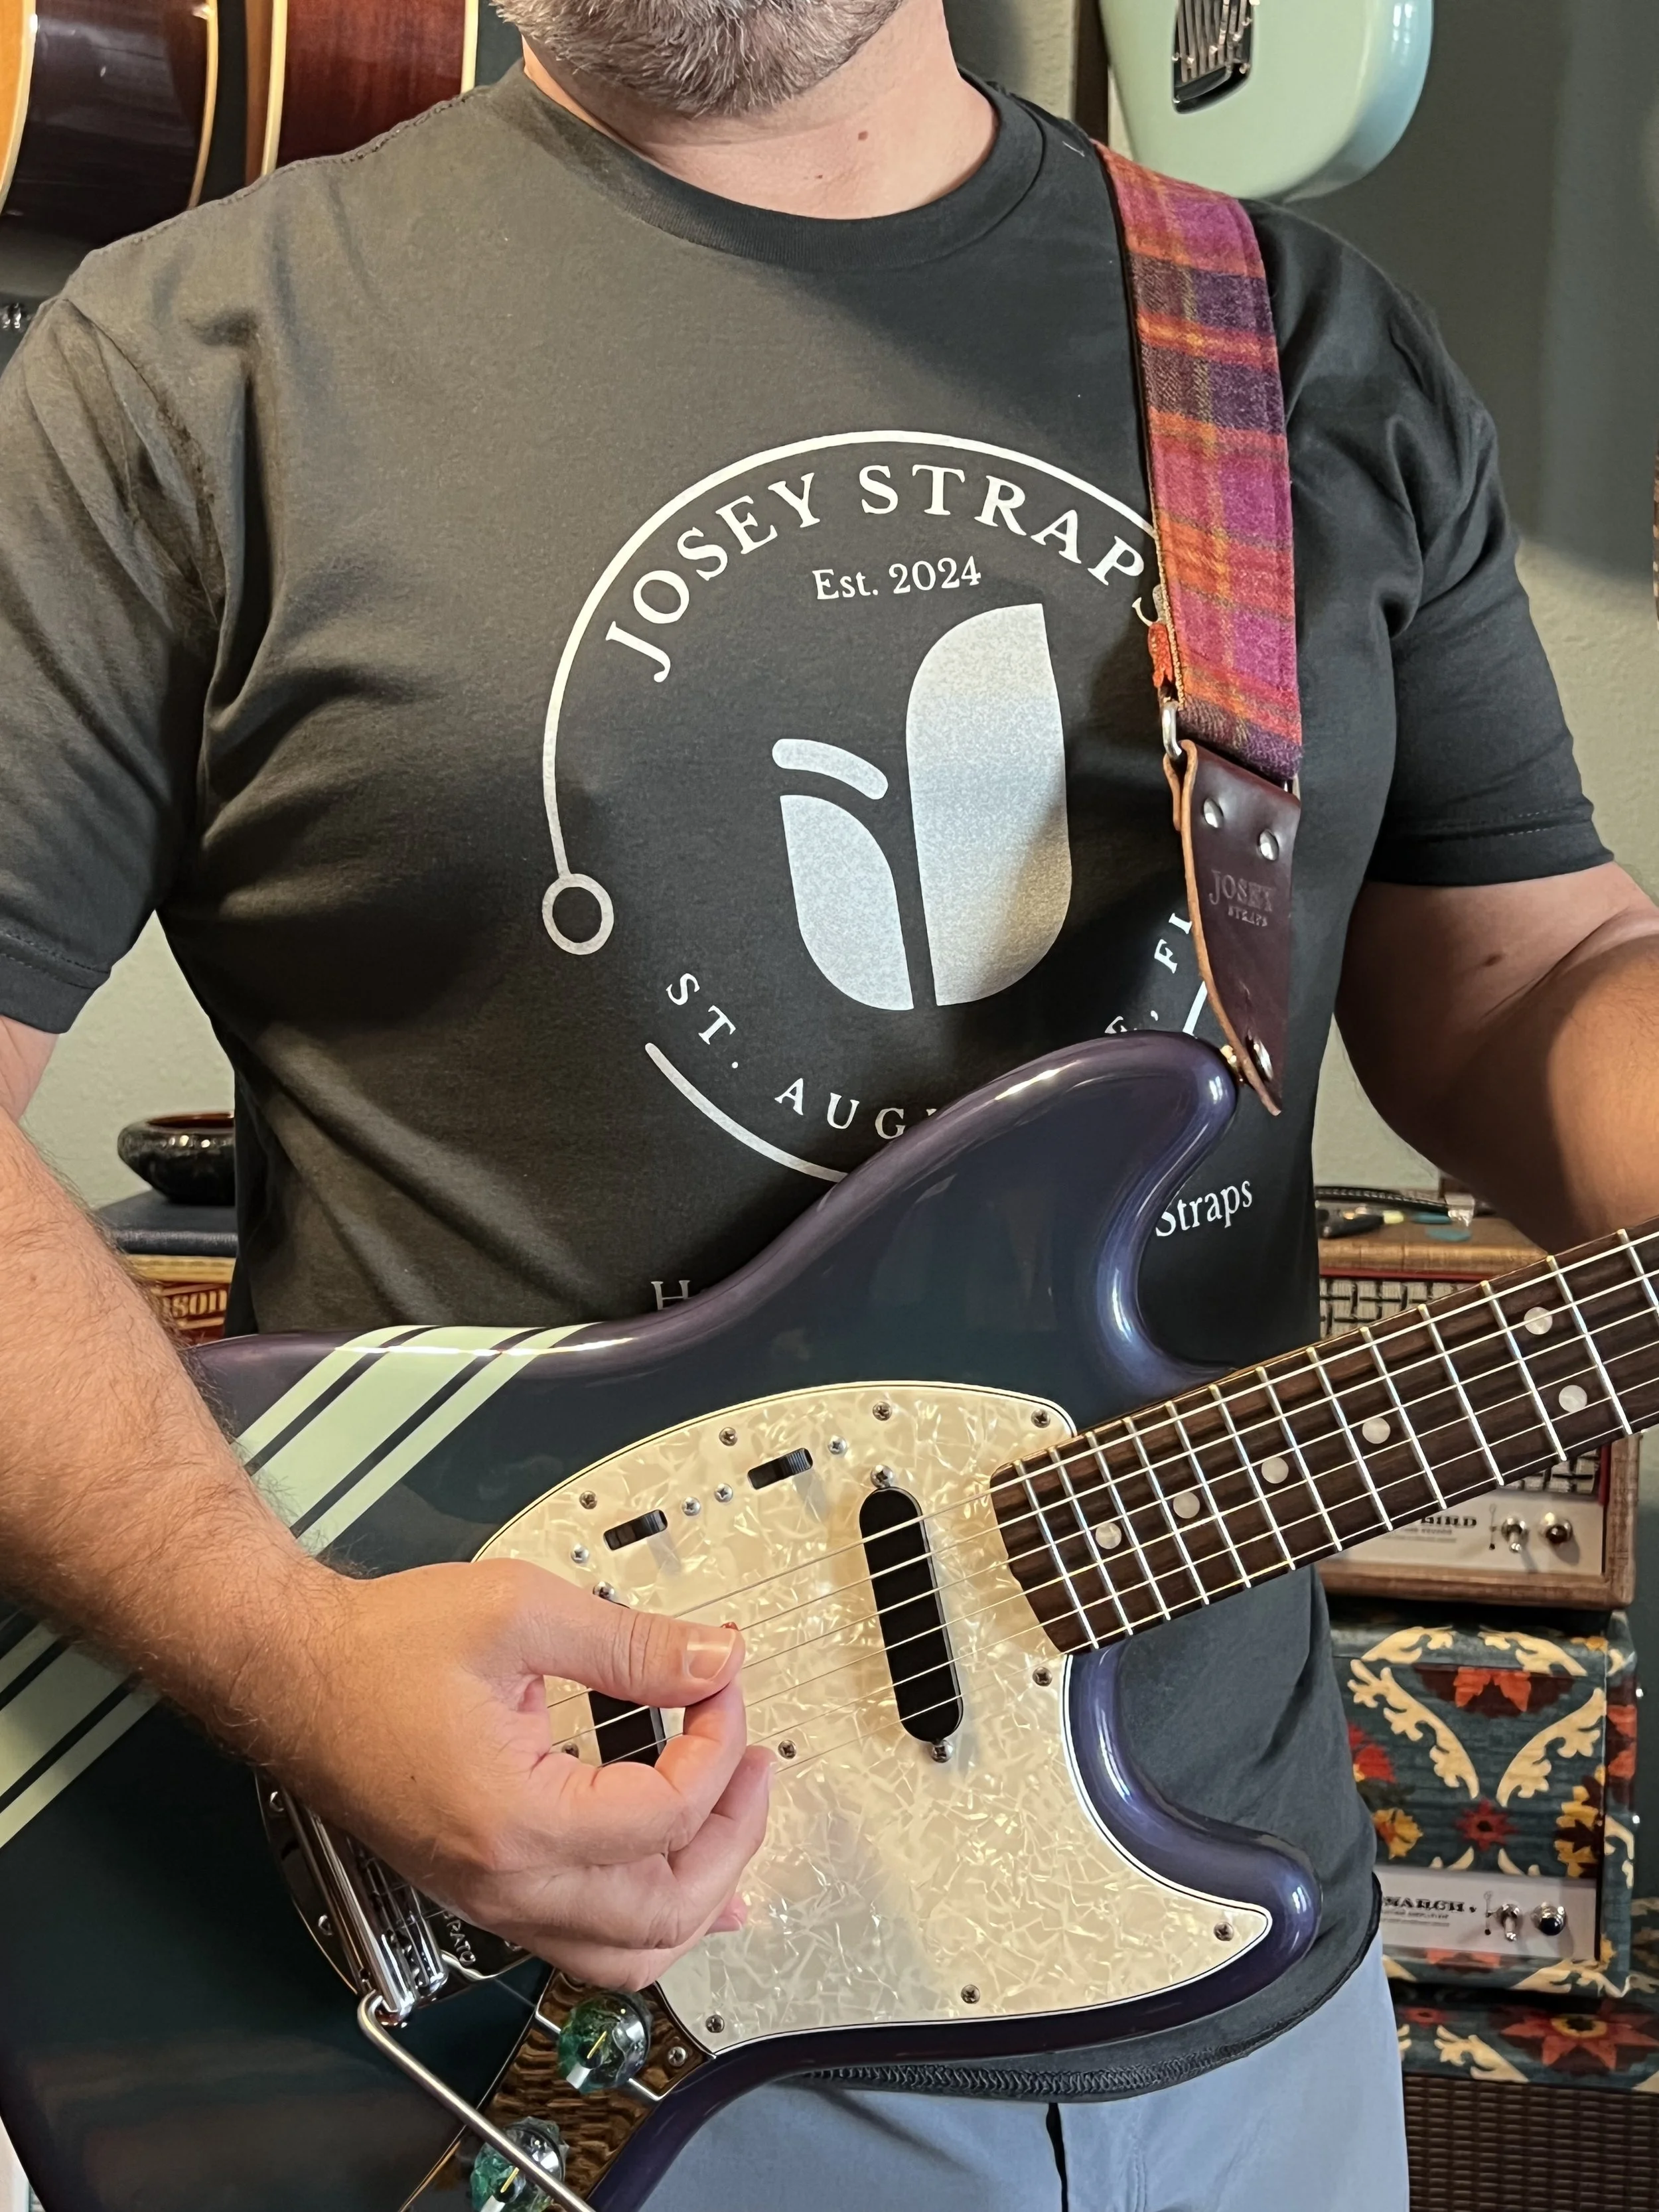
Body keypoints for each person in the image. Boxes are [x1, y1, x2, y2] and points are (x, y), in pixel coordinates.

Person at [0, 2, 1656, 2205]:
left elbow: (1530, 971)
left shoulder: (1291, 337)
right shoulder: (188, 360)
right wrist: (292, 1660)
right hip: (546, 2018)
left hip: (1240, 1974)